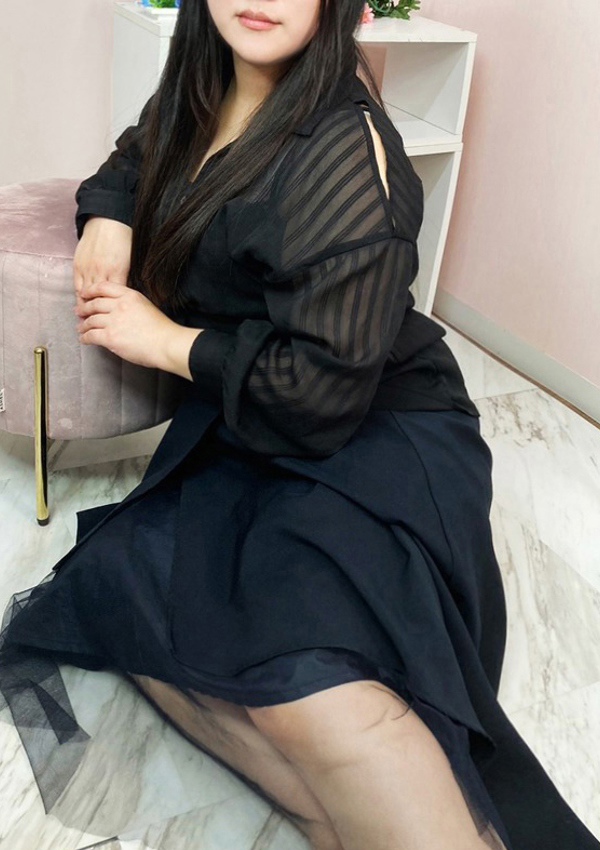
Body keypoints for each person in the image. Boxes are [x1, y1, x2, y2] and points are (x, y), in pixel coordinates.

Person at [0, 2, 598, 849]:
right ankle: (332, 815)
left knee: (317, 692)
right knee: (118, 594)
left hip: (369, 426)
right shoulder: (203, 81)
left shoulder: (346, 149)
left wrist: (167, 340)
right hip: (241, 420)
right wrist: (109, 216)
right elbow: (134, 155)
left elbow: (321, 395)